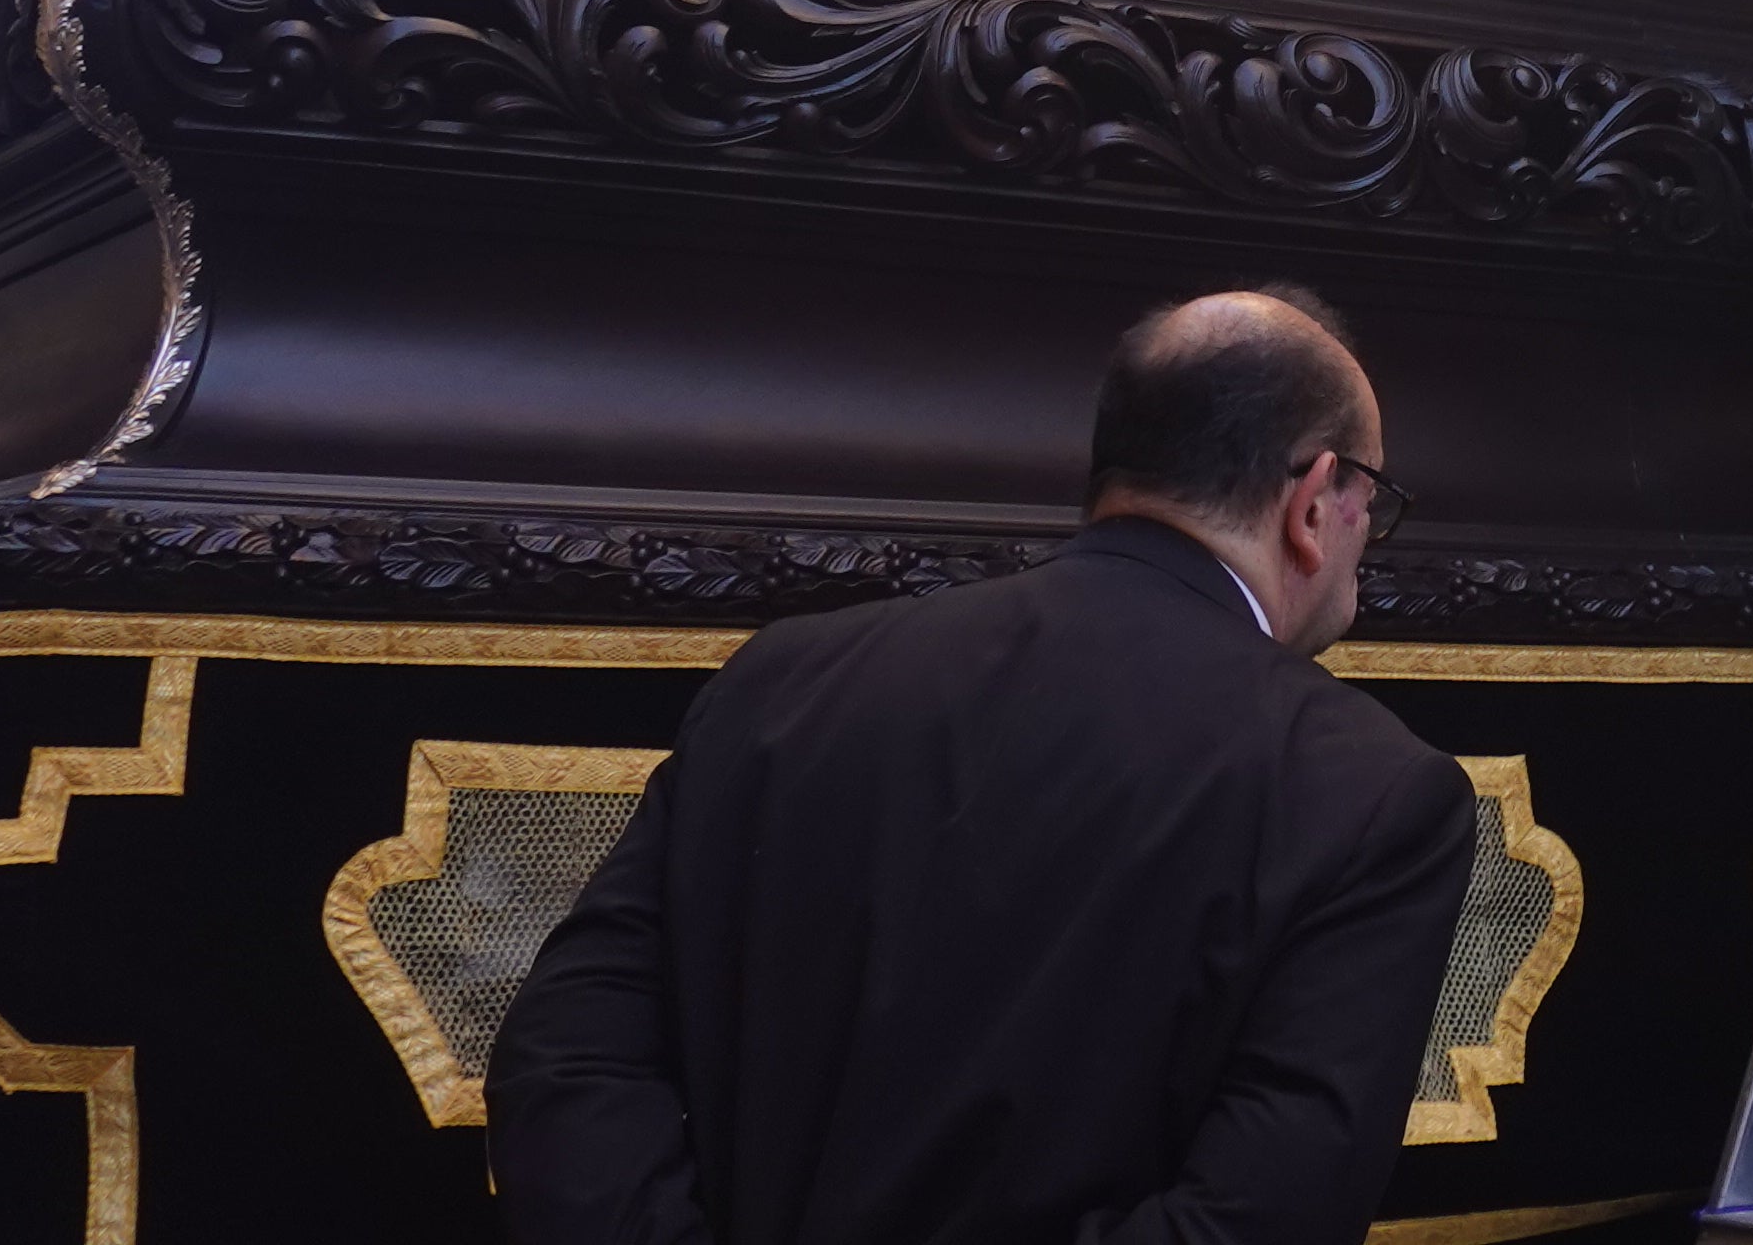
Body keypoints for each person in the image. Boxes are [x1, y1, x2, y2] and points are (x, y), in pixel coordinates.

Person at [486, 287, 1480, 1245]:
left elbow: (565, 1065)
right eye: (1373, 498)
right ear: (1313, 501)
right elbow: (1260, 1218)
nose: (1368, 537)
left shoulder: (783, 678)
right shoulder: (1368, 790)